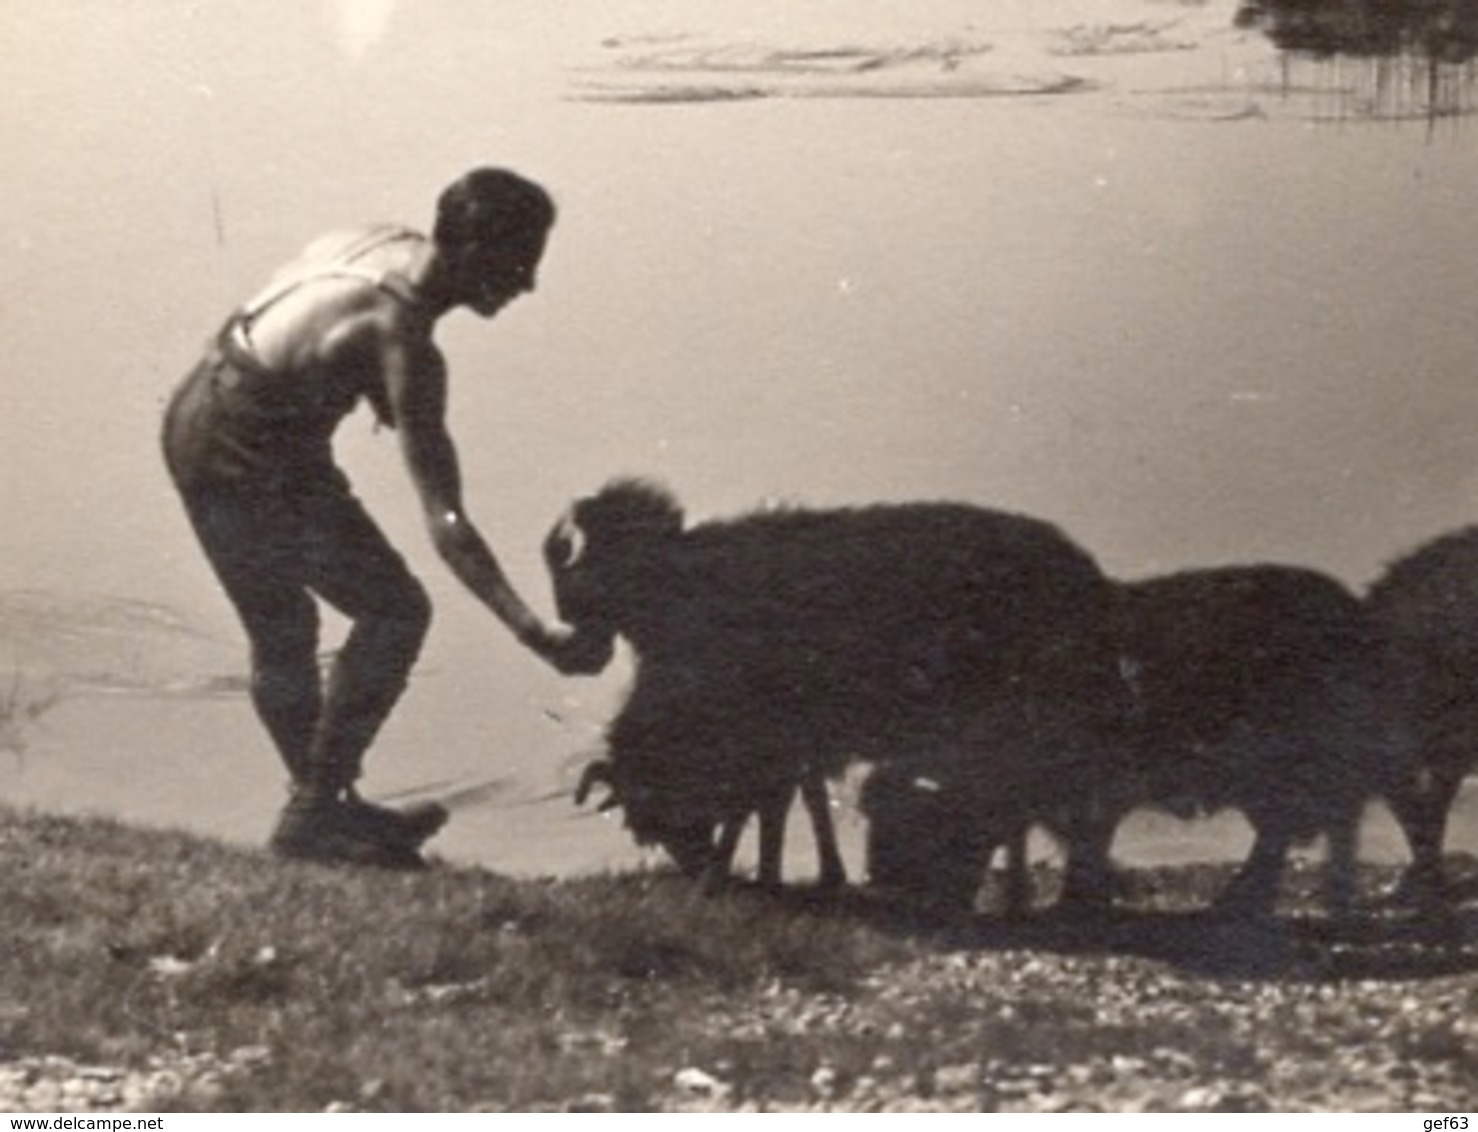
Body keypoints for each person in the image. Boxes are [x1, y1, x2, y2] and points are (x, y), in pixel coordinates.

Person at [162, 167, 611, 869]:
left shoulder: (381, 243)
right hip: (240, 447)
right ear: (471, 255)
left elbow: (299, 339)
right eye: (520, 264)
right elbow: (447, 520)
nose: (528, 285)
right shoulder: (401, 341)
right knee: (383, 613)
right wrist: (532, 630)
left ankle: (328, 809)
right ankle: (314, 814)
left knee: (310, 624)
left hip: (207, 404)